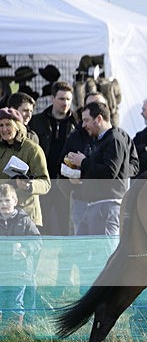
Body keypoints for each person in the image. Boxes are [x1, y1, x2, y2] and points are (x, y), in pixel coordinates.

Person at [64, 102, 135, 236]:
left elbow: (109, 172)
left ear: (99, 119)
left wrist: (84, 162)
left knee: (105, 252)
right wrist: (79, 175)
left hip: (107, 207)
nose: (83, 125)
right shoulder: (100, 139)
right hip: (94, 205)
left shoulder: (114, 139)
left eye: (86, 120)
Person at [28, 81, 78, 234]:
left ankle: (63, 256)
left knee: (65, 222)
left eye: (69, 99)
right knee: (40, 222)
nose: (66, 103)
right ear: (52, 98)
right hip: (43, 179)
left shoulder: (77, 123)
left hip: (65, 181)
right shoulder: (37, 121)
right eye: (62, 99)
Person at [0, 107, 50, 227]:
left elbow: (45, 183)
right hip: (3, 217)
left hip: (26, 218)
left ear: (17, 126)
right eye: (1, 125)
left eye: (8, 124)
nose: (4, 129)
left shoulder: (32, 149)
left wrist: (29, 185)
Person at [0, 183, 41, 327]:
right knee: (2, 302)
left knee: (15, 302)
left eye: (7, 200)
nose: (3, 204)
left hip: (20, 272)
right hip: (2, 271)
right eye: (0, 201)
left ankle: (14, 333)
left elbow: (37, 240)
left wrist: (25, 250)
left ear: (15, 201)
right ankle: (3, 333)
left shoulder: (24, 220)